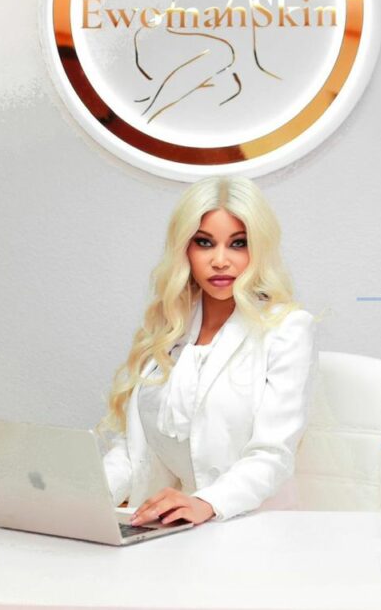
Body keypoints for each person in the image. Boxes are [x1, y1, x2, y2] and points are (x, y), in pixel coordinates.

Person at [100, 176, 317, 526]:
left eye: (238, 244)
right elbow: (133, 449)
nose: (219, 260)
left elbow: (272, 455)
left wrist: (206, 503)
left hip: (253, 526)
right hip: (175, 526)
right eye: (204, 242)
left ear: (258, 249)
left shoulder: (288, 329)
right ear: (185, 249)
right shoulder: (169, 326)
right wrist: (86, 495)